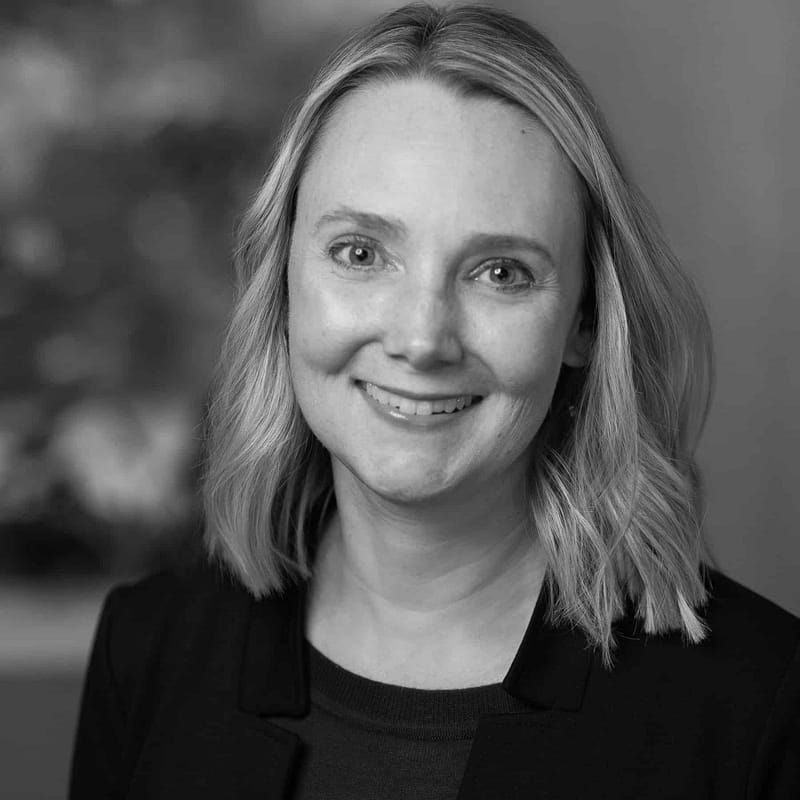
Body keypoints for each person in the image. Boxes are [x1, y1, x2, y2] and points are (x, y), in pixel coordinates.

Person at [69, 3, 800, 798]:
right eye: (360, 253)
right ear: (282, 283)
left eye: (501, 273)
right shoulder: (148, 649)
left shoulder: (762, 707)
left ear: (584, 323)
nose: (422, 339)